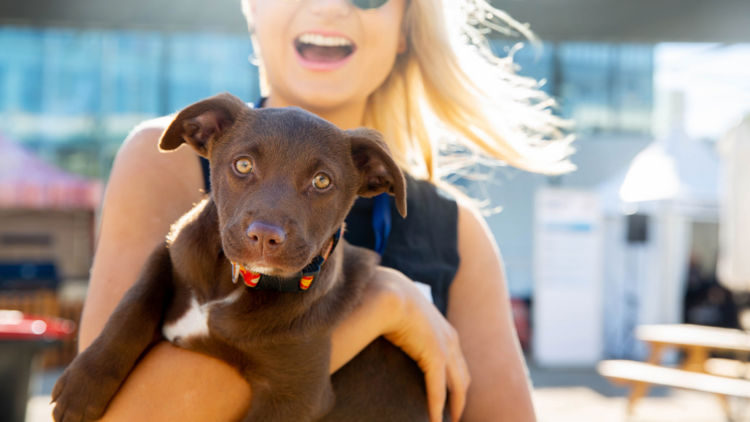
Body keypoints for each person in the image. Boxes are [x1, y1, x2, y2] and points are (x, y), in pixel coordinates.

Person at [77, 0, 572, 421]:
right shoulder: (166, 157)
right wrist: (384, 304)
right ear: (252, 8)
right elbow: (108, 411)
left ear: (406, 26)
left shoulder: (456, 230)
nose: (330, 4)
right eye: (243, 167)